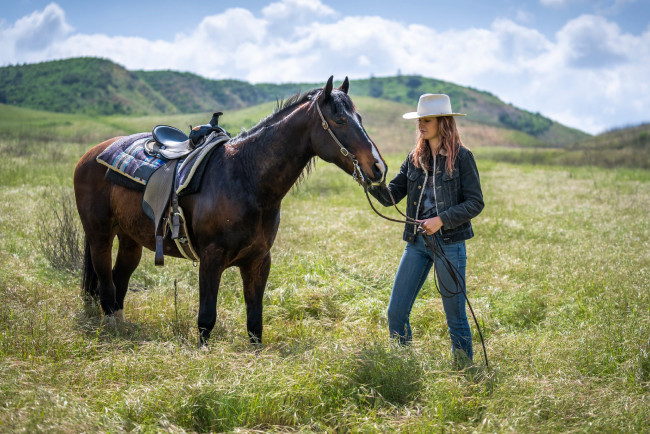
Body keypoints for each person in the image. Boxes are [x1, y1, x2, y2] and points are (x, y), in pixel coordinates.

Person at [369, 93, 484, 364]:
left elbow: (475, 202)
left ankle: (464, 371)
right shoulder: (414, 158)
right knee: (395, 312)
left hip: (450, 244)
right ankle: (402, 364)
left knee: (455, 316)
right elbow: (391, 196)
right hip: (417, 245)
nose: (421, 125)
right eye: (419, 119)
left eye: (427, 120)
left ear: (443, 123)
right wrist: (370, 179)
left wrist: (441, 219)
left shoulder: (463, 157)